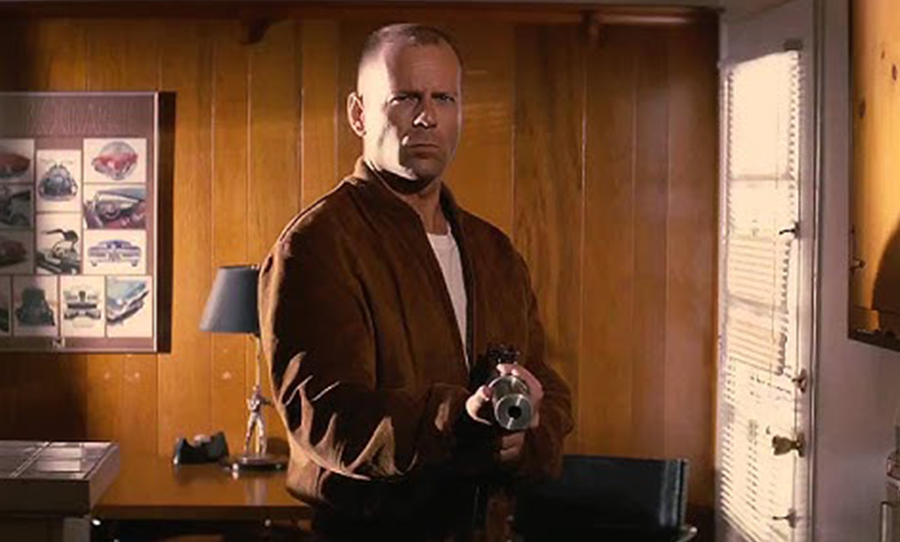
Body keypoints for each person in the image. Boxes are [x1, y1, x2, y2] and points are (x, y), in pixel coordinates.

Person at [258, 23, 572, 541]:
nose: (427, 116)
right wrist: (458, 420)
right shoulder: (318, 244)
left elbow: (548, 388)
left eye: (443, 98)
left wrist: (527, 438)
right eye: (405, 98)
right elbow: (325, 417)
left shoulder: (495, 252)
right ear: (359, 113)